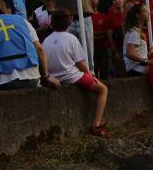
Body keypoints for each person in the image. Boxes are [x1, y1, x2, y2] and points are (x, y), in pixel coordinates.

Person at [44, 9, 109, 137]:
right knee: (103, 89)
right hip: (71, 76)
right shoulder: (71, 38)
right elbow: (81, 65)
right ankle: (96, 124)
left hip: (53, 77)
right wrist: (90, 74)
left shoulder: (46, 40)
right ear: (69, 23)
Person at [0, 0, 59, 91]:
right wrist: (46, 77)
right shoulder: (22, 21)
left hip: (0, 83)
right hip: (31, 79)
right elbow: (39, 49)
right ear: (2, 6)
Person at [90, 0, 111, 80]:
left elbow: (107, 32)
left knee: (104, 71)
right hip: (91, 48)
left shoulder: (103, 16)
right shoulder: (86, 18)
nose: (93, 0)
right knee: (92, 71)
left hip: (103, 48)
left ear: (98, 1)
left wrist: (94, 34)